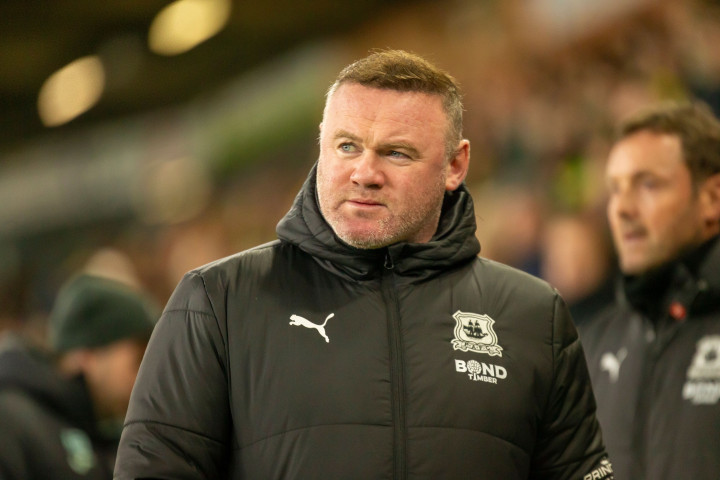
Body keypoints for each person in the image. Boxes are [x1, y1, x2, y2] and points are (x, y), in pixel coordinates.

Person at [114, 49, 613, 479]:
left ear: (455, 165)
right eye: (347, 146)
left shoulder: (533, 316)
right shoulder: (217, 302)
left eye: (397, 153)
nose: (364, 173)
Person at [579, 101, 720, 480]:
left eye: (648, 184)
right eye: (615, 189)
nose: (622, 208)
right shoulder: (595, 344)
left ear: (712, 198)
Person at [0, 274, 157, 480]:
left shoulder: (101, 432)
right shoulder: (11, 421)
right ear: (88, 355)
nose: (146, 378)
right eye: (138, 361)